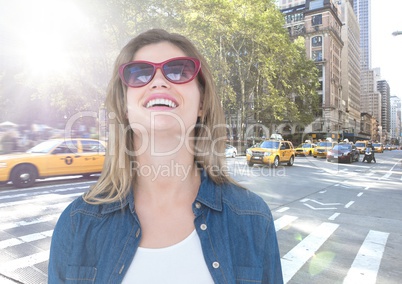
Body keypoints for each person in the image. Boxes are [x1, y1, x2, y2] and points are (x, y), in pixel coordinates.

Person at [48, 29, 283, 283]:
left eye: (179, 71)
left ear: (202, 103)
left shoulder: (253, 218)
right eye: (138, 73)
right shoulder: (77, 223)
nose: (158, 81)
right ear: (125, 106)